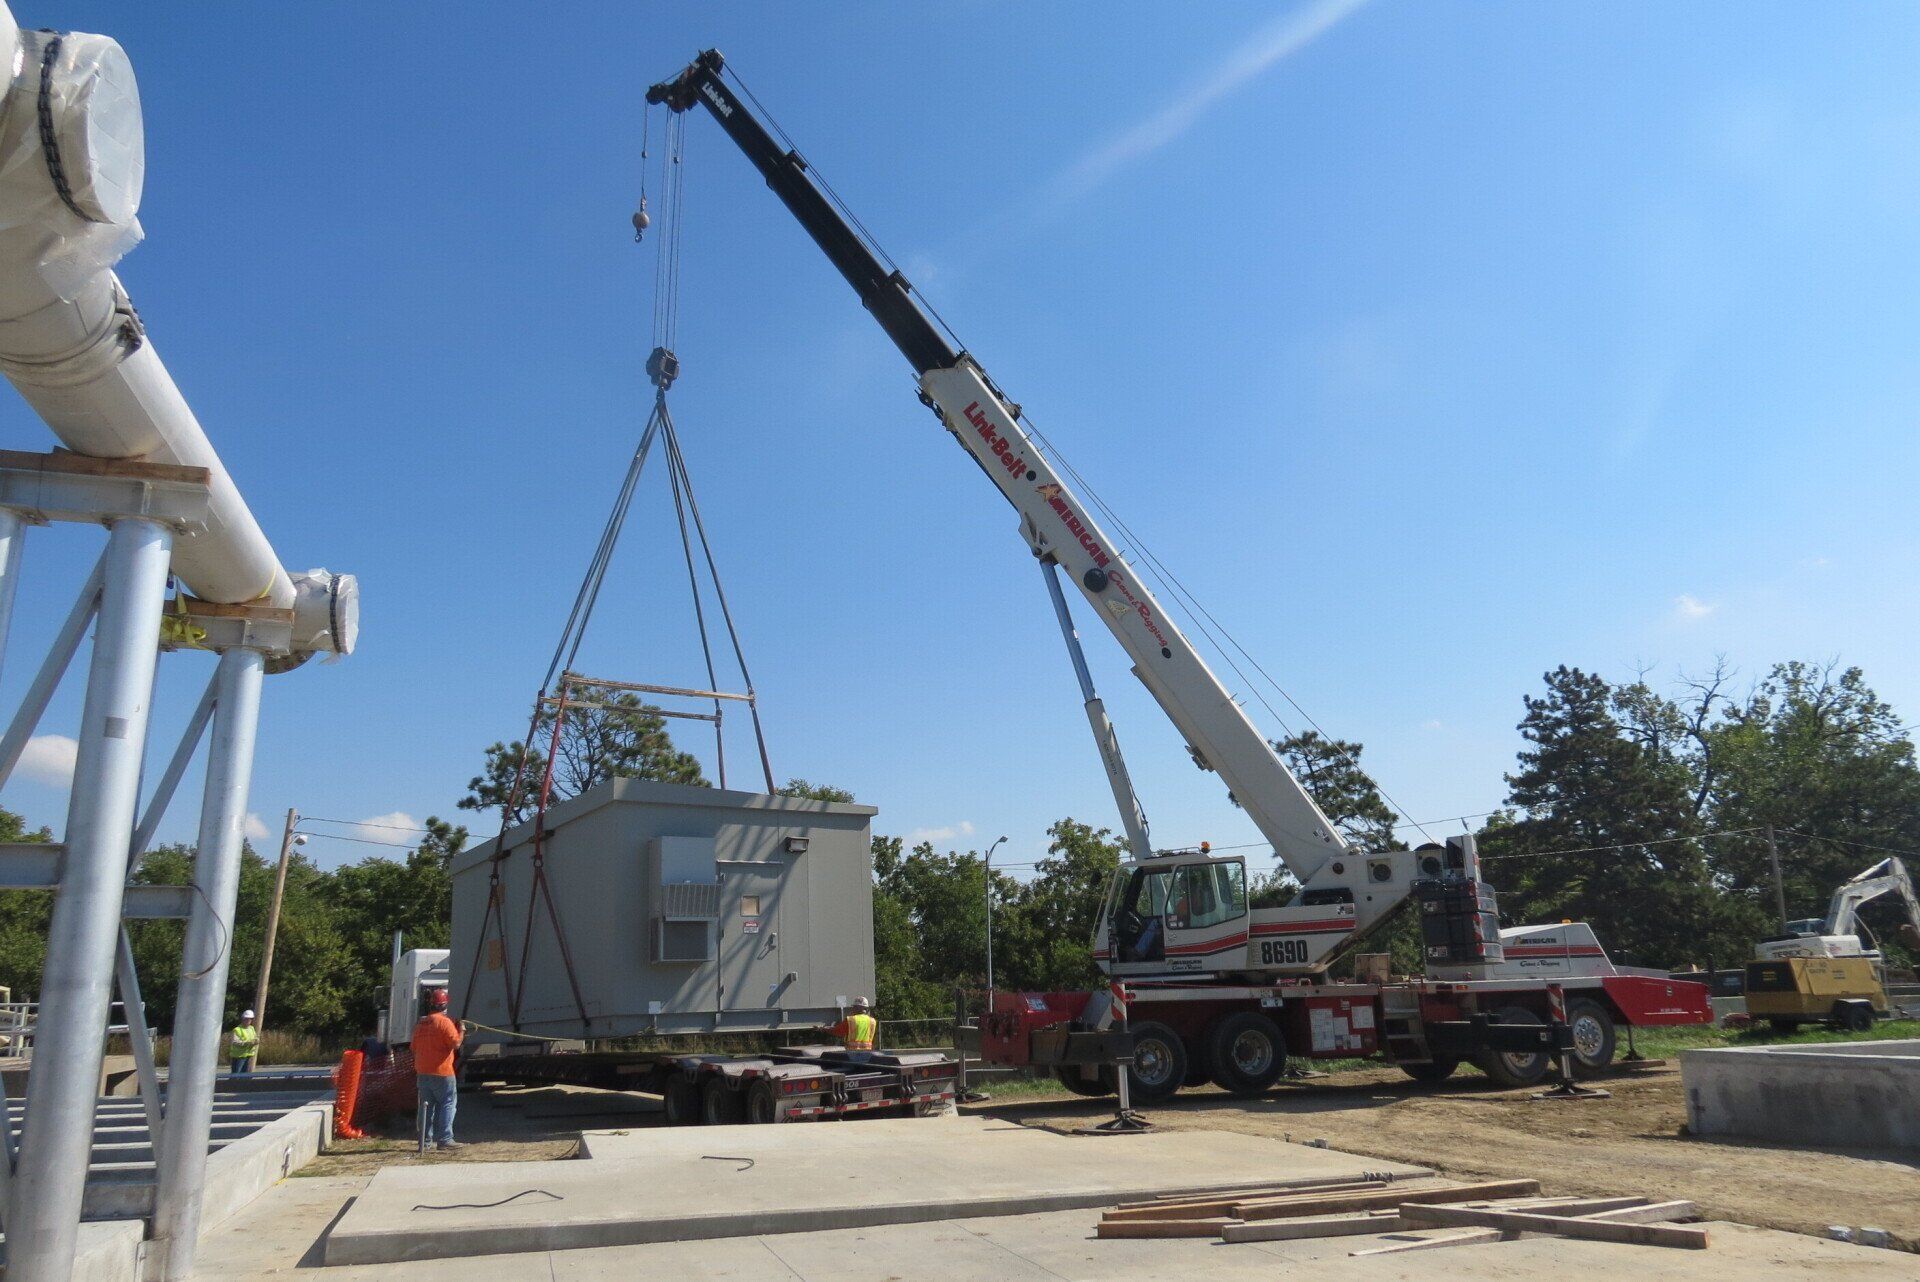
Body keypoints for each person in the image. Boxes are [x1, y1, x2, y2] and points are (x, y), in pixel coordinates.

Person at [412, 989, 465, 1150]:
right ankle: (445, 1140)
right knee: (448, 1104)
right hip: (442, 1072)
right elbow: (455, 1043)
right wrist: (461, 1030)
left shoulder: (421, 1024)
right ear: (445, 1004)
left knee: (425, 1107)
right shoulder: (445, 1022)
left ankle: (424, 1142)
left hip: (422, 1072)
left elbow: (413, 1047)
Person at [228, 1010, 258, 1074]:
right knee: (237, 1074)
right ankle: (233, 1083)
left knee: (246, 1074)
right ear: (243, 1019)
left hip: (248, 1055)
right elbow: (234, 1041)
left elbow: (255, 1037)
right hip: (239, 1056)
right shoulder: (237, 1029)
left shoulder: (251, 1028)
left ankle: (244, 1083)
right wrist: (246, 1043)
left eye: (250, 1019)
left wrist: (256, 1041)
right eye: (246, 1019)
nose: (248, 1021)